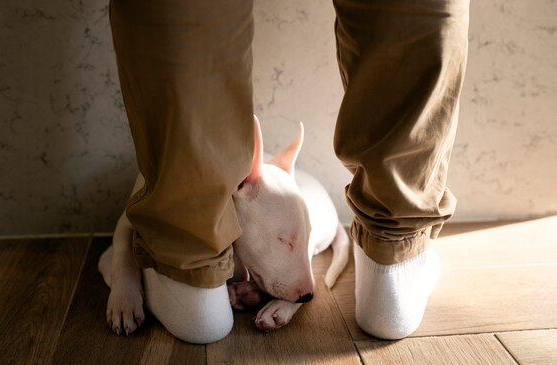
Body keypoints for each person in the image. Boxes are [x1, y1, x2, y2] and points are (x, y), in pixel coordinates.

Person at [106, 0, 469, 343]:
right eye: (287, 243)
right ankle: (396, 259)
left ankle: (188, 278)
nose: (308, 286)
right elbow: (126, 226)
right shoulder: (252, 191)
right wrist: (124, 277)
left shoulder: (276, 194)